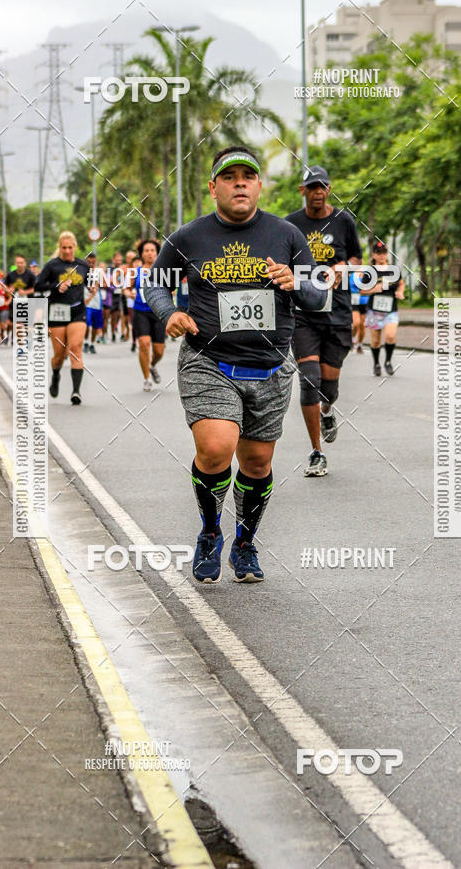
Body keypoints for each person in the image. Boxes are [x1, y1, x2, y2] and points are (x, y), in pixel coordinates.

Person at [145, 145, 326, 584]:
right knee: (215, 448)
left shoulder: (287, 235)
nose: (239, 182)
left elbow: (319, 297)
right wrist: (170, 313)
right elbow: (155, 283)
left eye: (248, 175)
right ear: (213, 188)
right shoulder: (188, 238)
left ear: (260, 185)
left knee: (258, 464)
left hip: (270, 365)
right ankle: (210, 531)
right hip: (209, 361)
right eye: (229, 177)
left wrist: (295, 282)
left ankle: (245, 541)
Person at [285, 165, 362, 478]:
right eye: (311, 187)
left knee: (329, 387)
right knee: (309, 378)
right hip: (303, 313)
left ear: (329, 190)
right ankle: (317, 451)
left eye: (322, 187)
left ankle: (328, 411)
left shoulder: (343, 220)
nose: (317, 193)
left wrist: (343, 267)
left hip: (338, 311)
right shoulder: (290, 224)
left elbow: (357, 257)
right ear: (303, 190)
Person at [34, 231, 90, 405]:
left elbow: (89, 283)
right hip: (57, 311)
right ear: (60, 248)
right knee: (59, 355)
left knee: (75, 348)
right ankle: (56, 374)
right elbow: (38, 285)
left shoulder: (83, 265)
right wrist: (56, 286)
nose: (67, 251)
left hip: (77, 311)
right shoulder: (52, 266)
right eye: (64, 247)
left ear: (75, 247)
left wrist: (95, 287)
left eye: (70, 247)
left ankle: (76, 392)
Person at [124, 238, 166, 391]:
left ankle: (153, 365)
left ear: (157, 253)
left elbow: (172, 289)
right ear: (142, 254)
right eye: (146, 251)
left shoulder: (163, 271)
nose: (149, 254)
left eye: (152, 251)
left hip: (158, 312)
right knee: (144, 344)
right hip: (140, 311)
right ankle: (147, 378)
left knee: (159, 350)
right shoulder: (136, 272)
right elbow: (126, 289)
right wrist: (129, 294)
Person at [363, 242, 405, 376]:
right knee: (375, 341)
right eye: (379, 253)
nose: (382, 256)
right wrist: (374, 289)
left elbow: (401, 284)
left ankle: (388, 361)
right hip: (374, 310)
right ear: (374, 255)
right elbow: (361, 290)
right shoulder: (370, 271)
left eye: (384, 253)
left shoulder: (394, 269)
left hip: (391, 308)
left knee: (390, 336)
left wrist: (400, 292)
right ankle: (376, 363)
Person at [83, 254, 103, 354]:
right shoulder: (83, 271)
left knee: (95, 325)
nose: (90, 264)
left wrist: (90, 298)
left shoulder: (98, 272)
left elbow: (97, 286)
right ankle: (86, 342)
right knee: (86, 323)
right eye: (88, 262)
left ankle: (92, 343)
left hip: (95, 302)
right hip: (86, 302)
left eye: (93, 262)